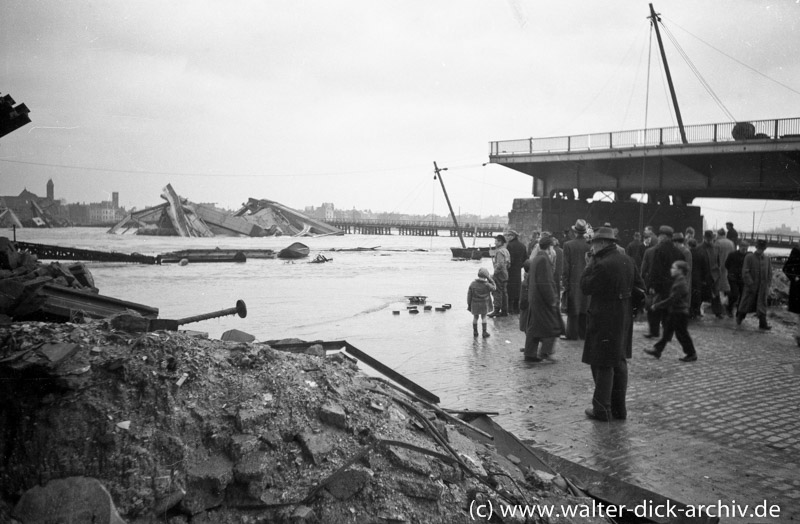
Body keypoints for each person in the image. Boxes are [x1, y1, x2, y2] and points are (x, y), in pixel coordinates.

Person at [580, 226, 644, 421]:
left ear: (602, 244)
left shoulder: (601, 264)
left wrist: (589, 264)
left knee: (602, 363)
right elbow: (640, 289)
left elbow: (585, 286)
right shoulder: (628, 260)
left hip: (604, 317)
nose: (592, 248)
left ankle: (601, 409)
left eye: (594, 244)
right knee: (619, 361)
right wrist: (630, 310)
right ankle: (619, 409)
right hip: (623, 317)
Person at [644, 260, 697, 362]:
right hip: (676, 311)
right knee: (667, 332)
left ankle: (691, 353)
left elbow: (672, 299)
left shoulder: (680, 283)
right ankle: (657, 350)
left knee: (682, 334)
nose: (671, 270)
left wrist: (657, 305)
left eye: (674, 268)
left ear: (680, 270)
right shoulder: (679, 280)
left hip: (679, 312)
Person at [521, 236, 562, 362]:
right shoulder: (544, 260)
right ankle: (545, 352)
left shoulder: (536, 258)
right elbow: (546, 282)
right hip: (543, 300)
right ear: (549, 247)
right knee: (553, 325)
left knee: (535, 327)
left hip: (535, 299)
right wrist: (552, 299)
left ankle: (530, 353)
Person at [644, 226, 685, 338]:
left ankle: (654, 332)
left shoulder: (659, 250)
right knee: (669, 310)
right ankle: (668, 334)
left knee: (654, 309)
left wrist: (652, 285)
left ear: (664, 237)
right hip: (673, 286)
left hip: (660, 286)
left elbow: (655, 269)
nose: (658, 238)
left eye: (660, 236)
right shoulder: (678, 252)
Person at [562, 219, 591, 340]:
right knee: (585, 306)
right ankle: (583, 333)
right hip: (587, 280)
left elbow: (566, 266)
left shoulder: (568, 245)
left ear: (575, 232)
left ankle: (572, 334)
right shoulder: (590, 245)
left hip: (573, 281)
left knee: (573, 308)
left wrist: (565, 283)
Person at [736, 239, 772, 330]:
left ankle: (763, 323)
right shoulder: (749, 257)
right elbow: (745, 272)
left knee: (762, 305)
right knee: (746, 304)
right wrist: (750, 283)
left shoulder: (767, 259)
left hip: (762, 288)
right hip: (751, 287)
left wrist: (768, 285)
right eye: (759, 248)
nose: (761, 250)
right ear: (756, 247)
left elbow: (769, 273)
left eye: (762, 248)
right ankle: (739, 318)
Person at [467, 268, 496, 338]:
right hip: (484, 304)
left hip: (475, 303)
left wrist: (469, 304)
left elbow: (469, 295)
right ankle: (484, 332)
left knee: (475, 317)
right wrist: (490, 279)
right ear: (486, 276)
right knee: (484, 317)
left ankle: (475, 332)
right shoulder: (487, 284)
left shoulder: (472, 284)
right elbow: (494, 288)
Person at [701, 230, 723, 318]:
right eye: (708, 239)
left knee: (716, 294)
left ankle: (718, 312)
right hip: (704, 274)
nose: (709, 241)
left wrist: (717, 272)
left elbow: (718, 261)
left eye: (711, 239)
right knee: (702, 294)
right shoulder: (700, 248)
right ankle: (697, 311)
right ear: (704, 238)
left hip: (714, 274)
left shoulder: (715, 248)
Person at [688, 237, 712, 319]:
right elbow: (705, 267)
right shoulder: (701, 253)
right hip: (698, 277)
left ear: (689, 245)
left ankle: (690, 312)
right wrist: (705, 279)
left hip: (690, 277)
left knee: (690, 295)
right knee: (697, 295)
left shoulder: (688, 253)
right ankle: (696, 311)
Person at [505, 230, 527, 315]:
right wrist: (520, 266)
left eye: (509, 235)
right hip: (518, 270)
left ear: (513, 236)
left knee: (510, 288)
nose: (507, 237)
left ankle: (509, 308)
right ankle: (516, 308)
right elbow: (525, 258)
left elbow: (509, 259)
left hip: (510, 270)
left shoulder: (509, 246)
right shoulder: (522, 246)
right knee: (517, 287)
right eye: (507, 235)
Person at [782, 243, 800, 346]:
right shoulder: (795, 253)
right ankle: (798, 335)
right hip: (798, 286)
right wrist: (794, 278)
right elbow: (786, 269)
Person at [725, 241, 749, 318]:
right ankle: (729, 307)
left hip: (742, 278)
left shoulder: (747, 256)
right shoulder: (732, 255)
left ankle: (739, 312)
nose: (744, 250)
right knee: (735, 294)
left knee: (742, 295)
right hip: (733, 277)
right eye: (743, 248)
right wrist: (731, 271)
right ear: (739, 247)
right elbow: (727, 264)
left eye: (746, 249)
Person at [488, 234, 510, 318]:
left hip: (499, 274)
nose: (495, 242)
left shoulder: (499, 251)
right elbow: (508, 263)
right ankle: (505, 310)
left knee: (497, 292)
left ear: (500, 242)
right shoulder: (506, 250)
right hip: (505, 273)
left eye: (496, 241)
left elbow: (500, 264)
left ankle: (496, 310)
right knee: (504, 292)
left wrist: (494, 273)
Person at [715, 228, 736, 312]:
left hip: (720, 267)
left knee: (719, 287)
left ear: (719, 234)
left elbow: (715, 256)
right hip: (729, 268)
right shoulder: (731, 243)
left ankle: (720, 307)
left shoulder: (717, 243)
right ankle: (728, 304)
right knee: (728, 286)